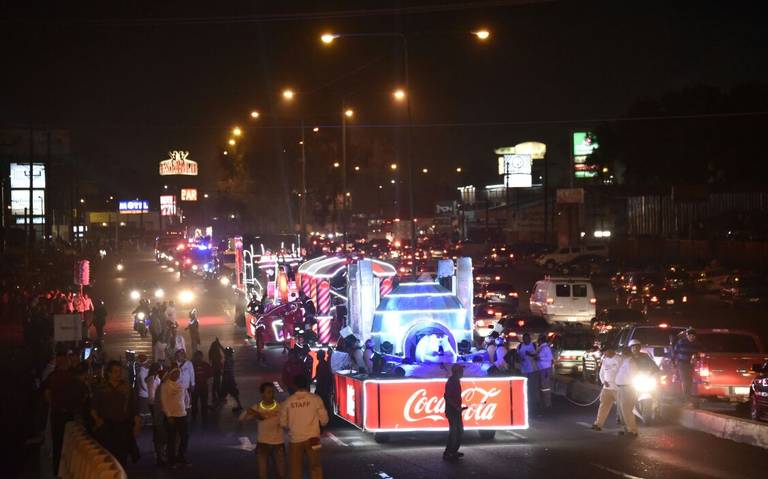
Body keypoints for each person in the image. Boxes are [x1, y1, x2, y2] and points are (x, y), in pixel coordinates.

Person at [91, 360, 141, 466]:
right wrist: (97, 420)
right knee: (107, 457)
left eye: (120, 371)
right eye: (115, 371)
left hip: (123, 426)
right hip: (107, 426)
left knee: (122, 457)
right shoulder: (101, 389)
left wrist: (137, 424)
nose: (118, 374)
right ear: (109, 373)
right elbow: (93, 407)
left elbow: (134, 408)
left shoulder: (127, 388)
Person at [44, 353, 88, 473]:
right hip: (70, 414)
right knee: (71, 443)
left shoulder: (54, 376)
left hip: (57, 413)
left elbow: (46, 393)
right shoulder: (72, 377)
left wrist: (53, 404)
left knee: (58, 443)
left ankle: (57, 470)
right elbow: (82, 395)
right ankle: (68, 469)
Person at [280, 374, 329, 479]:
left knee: (295, 468)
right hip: (313, 438)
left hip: (295, 439)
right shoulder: (315, 399)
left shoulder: (288, 402)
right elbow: (324, 419)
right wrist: (321, 426)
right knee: (315, 466)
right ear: (307, 384)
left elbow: (283, 423)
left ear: (294, 386)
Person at [241, 382, 286, 479]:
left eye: (273, 392)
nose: (272, 394)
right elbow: (241, 418)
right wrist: (254, 413)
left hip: (278, 445)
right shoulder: (257, 407)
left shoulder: (281, 407)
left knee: (281, 474)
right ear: (262, 394)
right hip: (262, 445)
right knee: (262, 475)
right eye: (269, 392)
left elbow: (287, 423)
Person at [615, 340, 659, 437]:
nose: (635, 349)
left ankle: (656, 410)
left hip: (642, 380)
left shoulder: (645, 357)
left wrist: (655, 373)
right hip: (629, 383)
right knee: (623, 405)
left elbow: (654, 367)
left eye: (637, 347)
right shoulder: (627, 359)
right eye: (633, 347)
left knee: (657, 392)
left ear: (640, 347)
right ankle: (621, 419)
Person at [161, 368, 190, 468]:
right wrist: (168, 415)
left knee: (185, 437)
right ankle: (171, 460)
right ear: (170, 374)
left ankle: (181, 457)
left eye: (178, 373)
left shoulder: (180, 384)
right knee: (172, 439)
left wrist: (187, 407)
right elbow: (164, 401)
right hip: (172, 416)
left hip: (182, 414)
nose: (177, 375)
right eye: (175, 373)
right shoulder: (165, 385)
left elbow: (185, 396)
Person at [592, 347, 622, 431]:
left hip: (617, 388)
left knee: (622, 408)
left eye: (606, 352)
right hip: (607, 388)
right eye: (604, 352)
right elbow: (601, 372)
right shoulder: (605, 360)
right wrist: (603, 381)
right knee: (603, 406)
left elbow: (622, 373)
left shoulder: (619, 359)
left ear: (611, 350)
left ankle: (625, 428)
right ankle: (598, 424)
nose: (604, 354)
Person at [672, 328, 703, 404]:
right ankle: (686, 397)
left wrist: (696, 358)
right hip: (682, 363)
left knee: (690, 380)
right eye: (690, 336)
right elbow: (674, 352)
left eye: (693, 336)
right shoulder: (681, 342)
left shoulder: (697, 344)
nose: (692, 337)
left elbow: (699, 354)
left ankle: (688, 395)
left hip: (691, 364)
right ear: (687, 336)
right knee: (685, 380)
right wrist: (673, 361)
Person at [443, 364, 466, 461]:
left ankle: (452, 451)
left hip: (454, 410)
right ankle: (449, 452)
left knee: (457, 431)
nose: (463, 372)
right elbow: (447, 397)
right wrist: (457, 407)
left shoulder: (455, 381)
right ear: (457, 372)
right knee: (455, 432)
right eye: (461, 370)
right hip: (453, 411)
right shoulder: (453, 382)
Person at [147, 364, 167, 466]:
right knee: (159, 431)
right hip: (155, 405)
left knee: (159, 432)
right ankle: (160, 454)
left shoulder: (158, 379)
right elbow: (151, 393)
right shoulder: (153, 379)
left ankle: (160, 452)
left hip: (156, 405)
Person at [517, 333, 538, 411]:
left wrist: (530, 354)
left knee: (532, 386)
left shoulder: (533, 345)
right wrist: (520, 359)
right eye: (524, 338)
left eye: (527, 338)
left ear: (529, 339)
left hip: (532, 369)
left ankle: (533, 402)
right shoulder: (520, 346)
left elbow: (537, 356)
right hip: (523, 369)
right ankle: (525, 400)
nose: (525, 339)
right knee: (525, 386)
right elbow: (517, 356)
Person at [190, 351, 212, 423]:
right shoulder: (191, 365)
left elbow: (209, 377)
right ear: (195, 357)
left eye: (200, 356)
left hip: (204, 388)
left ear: (202, 357)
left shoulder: (206, 365)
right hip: (195, 388)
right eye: (197, 356)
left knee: (204, 404)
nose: (199, 358)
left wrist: (209, 386)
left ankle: (204, 418)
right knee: (194, 403)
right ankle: (194, 417)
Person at [220, 346, 243, 411]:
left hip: (228, 380)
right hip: (231, 379)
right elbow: (225, 351)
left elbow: (227, 372)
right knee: (234, 394)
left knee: (223, 394)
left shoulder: (227, 360)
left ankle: (215, 407)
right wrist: (219, 345)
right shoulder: (230, 358)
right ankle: (239, 405)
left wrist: (225, 381)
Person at [535, 336, 553, 410]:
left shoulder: (546, 348)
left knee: (545, 387)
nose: (537, 342)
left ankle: (547, 404)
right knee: (542, 387)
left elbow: (550, 359)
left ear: (541, 341)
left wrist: (540, 358)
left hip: (545, 369)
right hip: (541, 369)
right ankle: (543, 402)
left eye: (538, 340)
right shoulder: (541, 348)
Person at [314, 350, 334, 416]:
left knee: (324, 402)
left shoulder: (322, 365)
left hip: (322, 387)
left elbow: (322, 377)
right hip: (323, 387)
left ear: (320, 356)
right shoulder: (322, 364)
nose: (316, 356)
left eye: (318, 355)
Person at [135, 354, 151, 423]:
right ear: (144, 364)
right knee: (144, 410)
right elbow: (142, 384)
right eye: (148, 362)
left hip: (147, 393)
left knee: (146, 409)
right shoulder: (142, 372)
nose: (149, 364)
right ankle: (142, 423)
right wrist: (148, 390)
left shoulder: (146, 370)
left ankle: (146, 422)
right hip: (144, 394)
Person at [209, 338, 225, 403]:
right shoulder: (216, 354)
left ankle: (215, 396)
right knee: (217, 383)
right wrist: (219, 345)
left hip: (215, 369)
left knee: (215, 383)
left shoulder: (212, 353)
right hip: (217, 369)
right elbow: (225, 351)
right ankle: (218, 397)